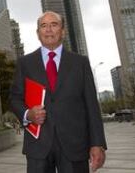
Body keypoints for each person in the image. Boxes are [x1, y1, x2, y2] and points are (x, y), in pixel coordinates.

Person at [11, 11, 107, 173]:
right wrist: (28, 114)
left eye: (54, 25)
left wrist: (97, 143)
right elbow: (15, 98)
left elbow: (91, 106)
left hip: (74, 145)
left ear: (62, 31)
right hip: (38, 146)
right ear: (38, 33)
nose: (48, 29)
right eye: (44, 25)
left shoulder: (80, 63)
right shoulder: (25, 63)